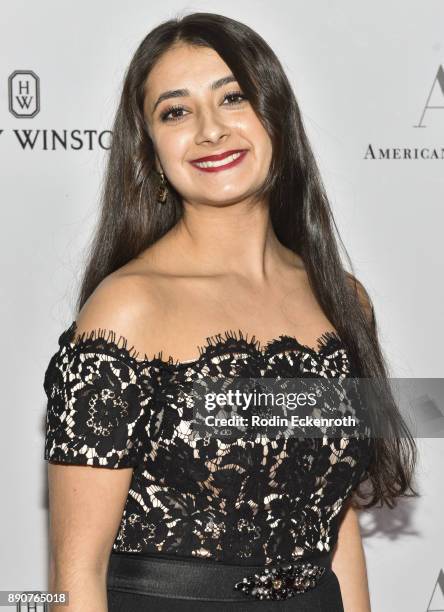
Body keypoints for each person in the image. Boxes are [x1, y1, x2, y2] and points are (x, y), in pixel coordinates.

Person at [43, 12, 418, 612]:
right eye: (176, 111)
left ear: (275, 116)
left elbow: (333, 521)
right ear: (149, 151)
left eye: (233, 97)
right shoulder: (126, 310)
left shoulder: (343, 298)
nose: (211, 130)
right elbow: (73, 575)